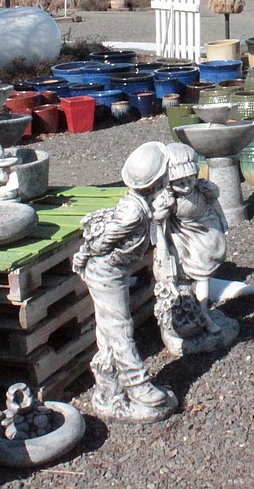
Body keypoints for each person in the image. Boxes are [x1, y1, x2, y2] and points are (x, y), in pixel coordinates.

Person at [73, 141, 178, 422]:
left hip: (114, 271)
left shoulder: (141, 204)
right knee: (120, 327)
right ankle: (137, 385)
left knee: (109, 330)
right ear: (157, 181)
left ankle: (108, 384)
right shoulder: (132, 212)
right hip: (106, 273)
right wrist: (92, 253)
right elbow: (106, 238)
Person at [159, 143, 227, 334]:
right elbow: (159, 224)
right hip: (185, 239)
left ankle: (201, 311)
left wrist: (222, 220)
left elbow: (215, 203)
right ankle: (202, 314)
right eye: (180, 183)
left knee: (204, 274)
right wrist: (164, 247)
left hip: (208, 234)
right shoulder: (170, 200)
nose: (187, 186)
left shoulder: (202, 189)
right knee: (196, 277)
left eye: (190, 180)